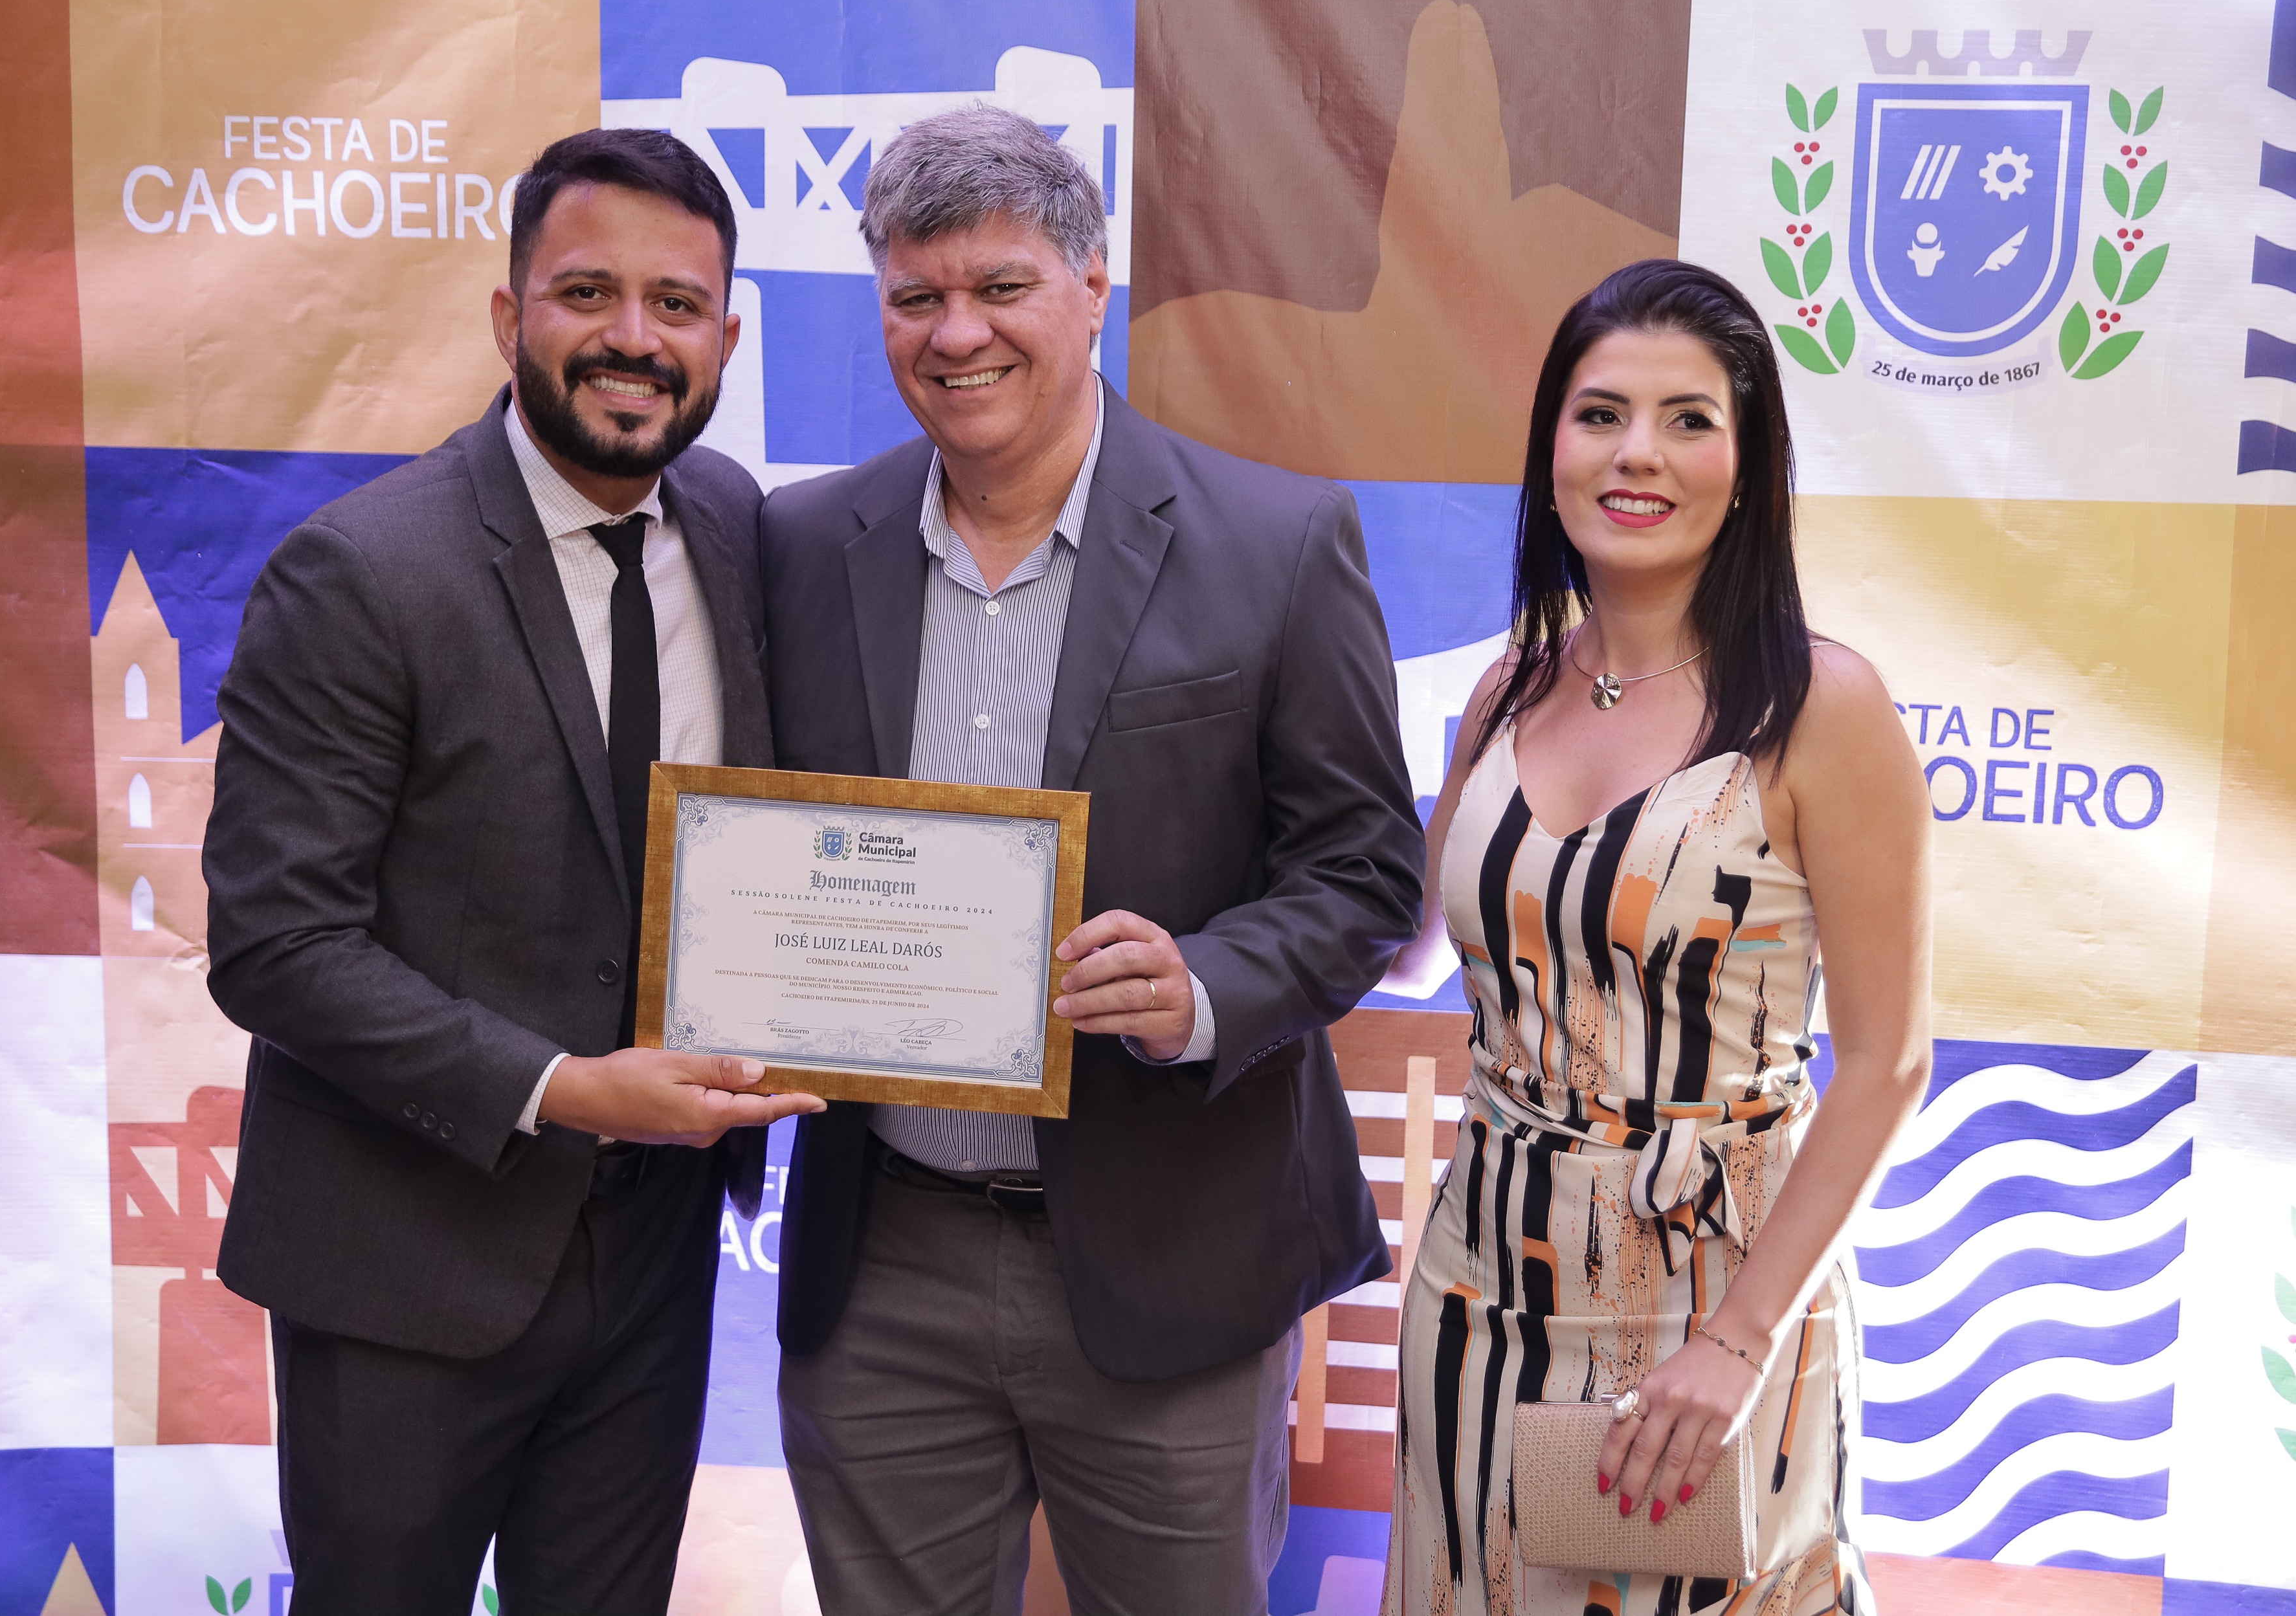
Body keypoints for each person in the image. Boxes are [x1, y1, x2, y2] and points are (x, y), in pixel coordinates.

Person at [761, 104, 1425, 1615]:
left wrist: (1204, 984)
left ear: (1091, 284)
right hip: (883, 1260)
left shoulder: (1274, 539)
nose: (957, 333)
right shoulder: (801, 542)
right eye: (916, 296)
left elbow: (1366, 870)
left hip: (1175, 1247)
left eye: (1000, 286)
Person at [204, 127, 823, 1615]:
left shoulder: (735, 524)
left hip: (656, 1255)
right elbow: (276, 943)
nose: (634, 339)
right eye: (587, 293)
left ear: (727, 340)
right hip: (404, 1261)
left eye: (678, 305)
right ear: (508, 317)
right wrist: (564, 1087)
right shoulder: (363, 573)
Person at [1374, 259, 1930, 1613]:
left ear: (1748, 467)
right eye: (1600, 413)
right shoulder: (1506, 689)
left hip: (1709, 1303)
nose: (1637, 453)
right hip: (1477, 1285)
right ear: (1550, 450)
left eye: (1689, 419)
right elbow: (1408, 947)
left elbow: (1887, 1064)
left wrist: (1738, 1345)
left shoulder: (1821, 708)